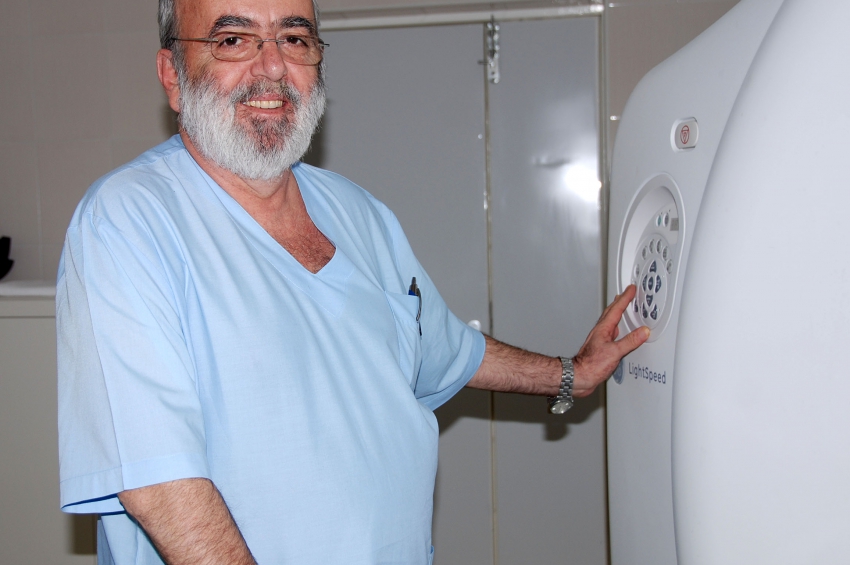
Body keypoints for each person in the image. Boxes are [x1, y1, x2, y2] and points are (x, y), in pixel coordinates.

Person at [56, 0, 649, 562]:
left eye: (295, 38)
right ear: (173, 74)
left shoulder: (358, 213)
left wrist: (572, 373)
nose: (272, 67)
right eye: (233, 40)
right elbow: (160, 484)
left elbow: (446, 349)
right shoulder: (129, 220)